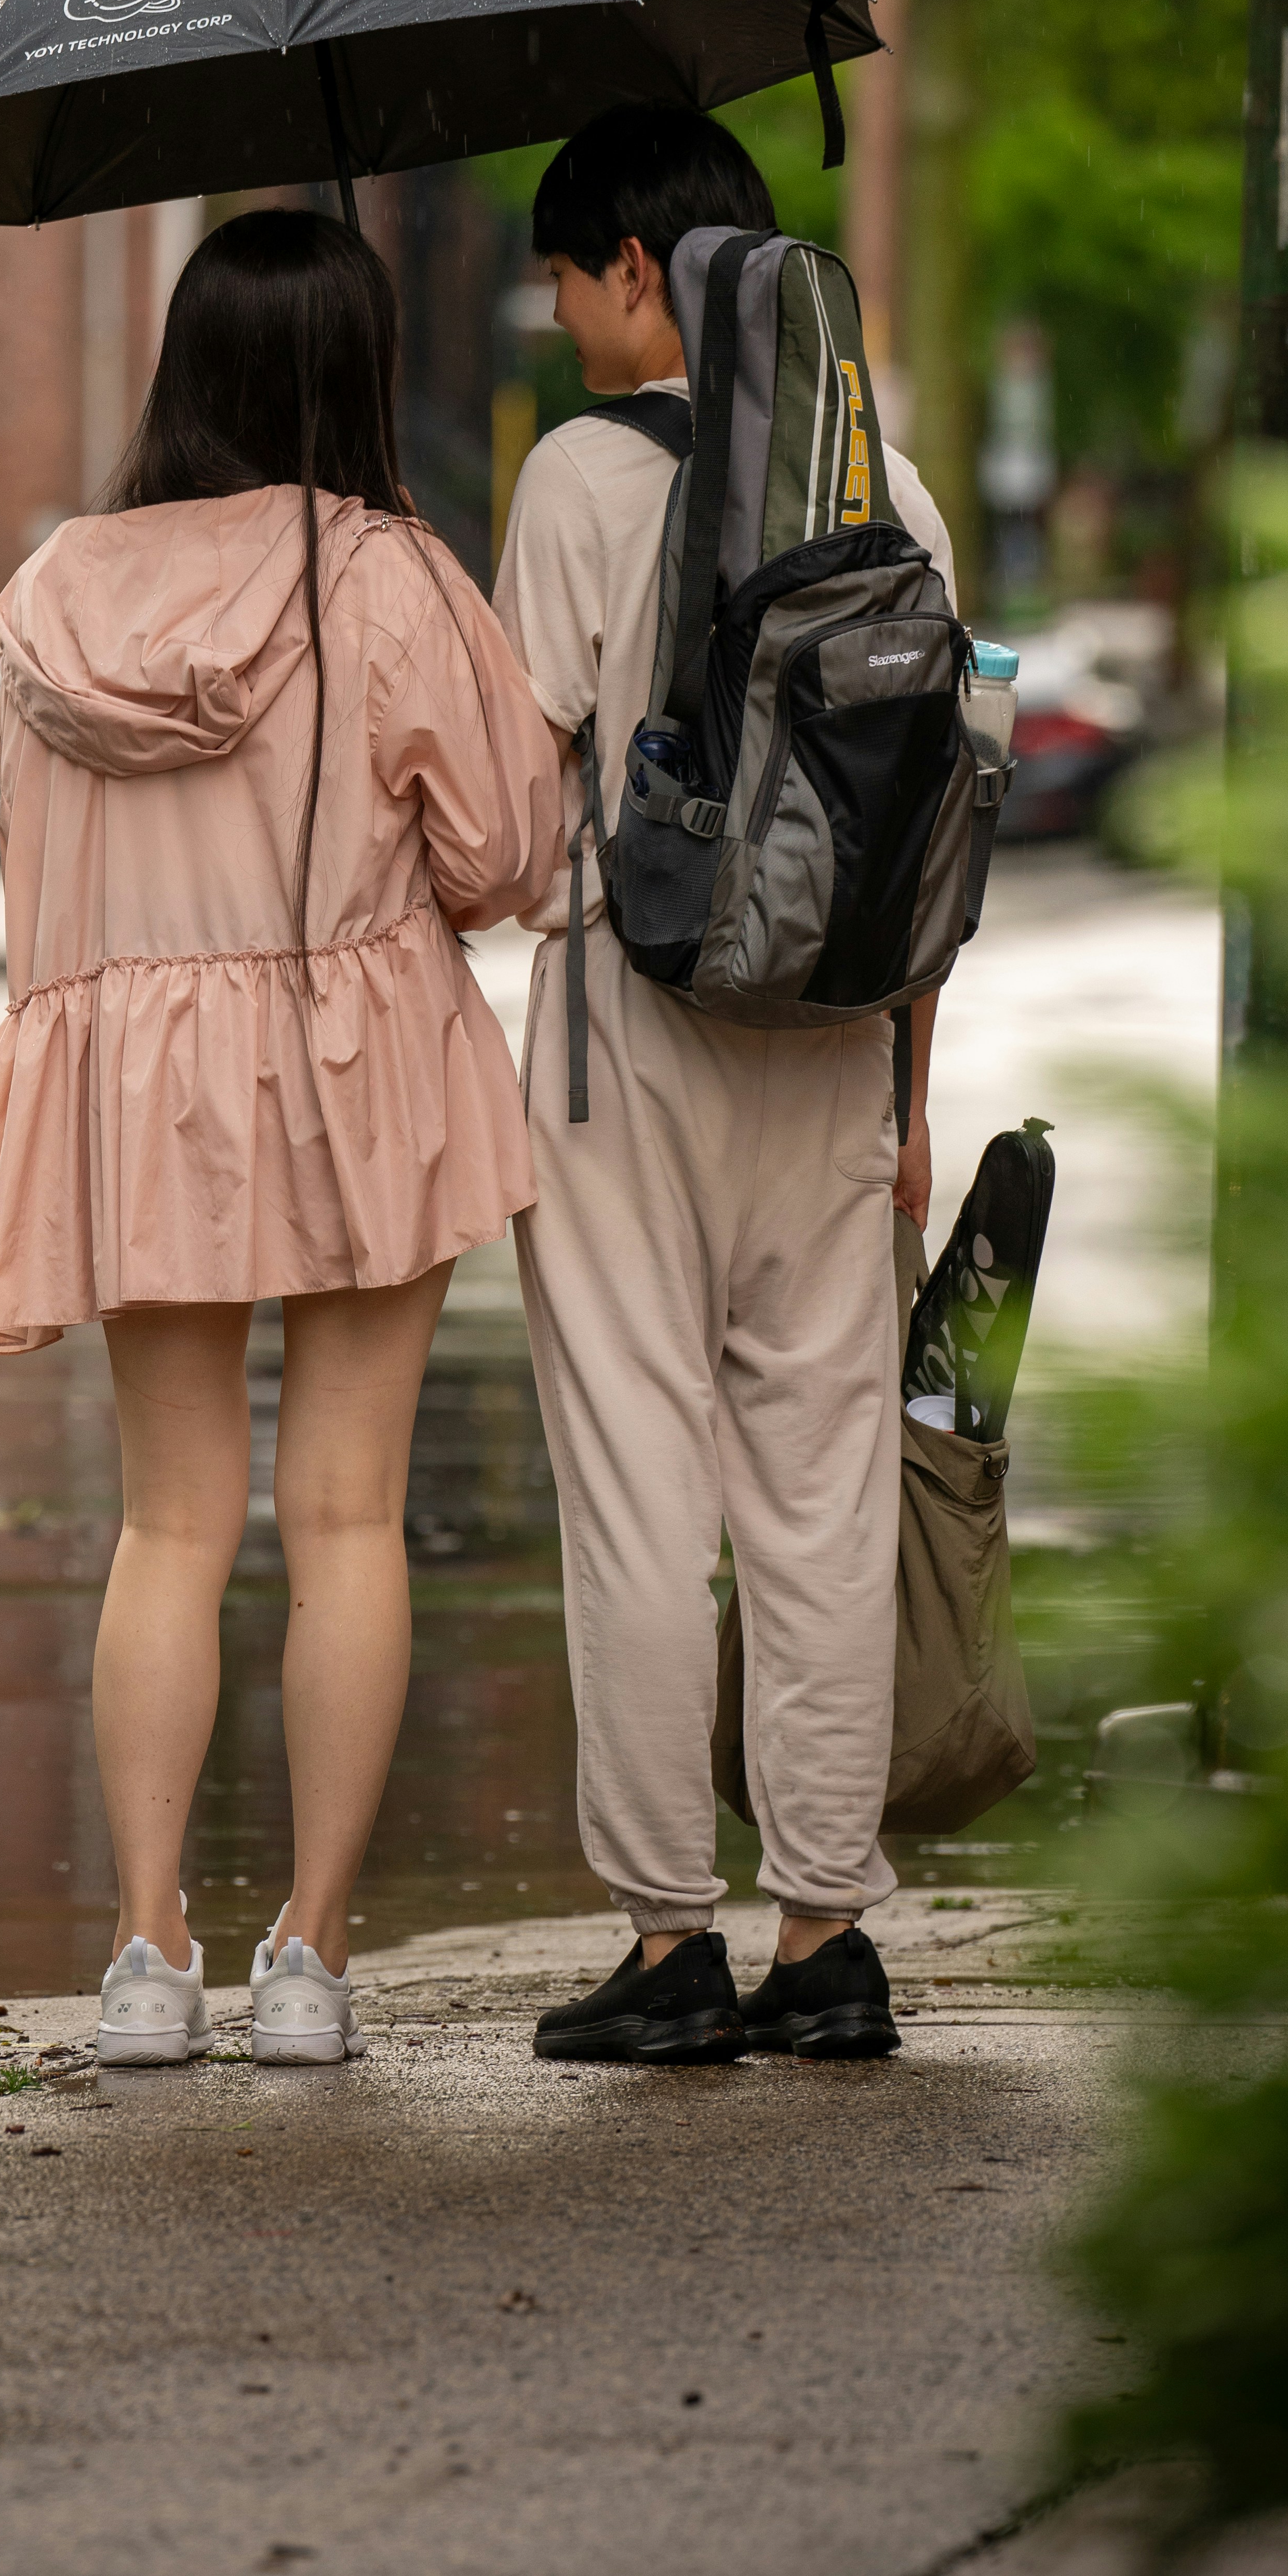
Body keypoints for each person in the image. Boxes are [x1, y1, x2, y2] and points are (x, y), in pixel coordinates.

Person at [0, 209, 562, 2075]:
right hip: (356, 1061)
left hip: (138, 1084)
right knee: (352, 1515)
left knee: (168, 1518)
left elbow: (30, 871)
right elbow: (510, 856)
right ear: (357, 371)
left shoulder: (54, 593)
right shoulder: (384, 577)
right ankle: (311, 1956)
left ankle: (147, 1956)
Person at [491, 103, 959, 2070]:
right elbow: (933, 824)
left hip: (632, 1028)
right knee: (823, 1482)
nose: (559, 318)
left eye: (566, 278)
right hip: (845, 1039)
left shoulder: (582, 478)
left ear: (634, 270)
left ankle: (672, 1935)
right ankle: (829, 1932)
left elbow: (529, 819)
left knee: (638, 1469)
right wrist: (912, 1095)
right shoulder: (896, 489)